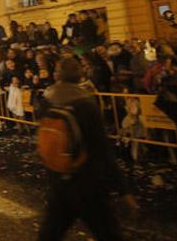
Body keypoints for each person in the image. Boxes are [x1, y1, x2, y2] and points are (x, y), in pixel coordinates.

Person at [38, 57, 137, 241]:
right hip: (87, 180)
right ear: (80, 75)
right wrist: (123, 189)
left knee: (50, 233)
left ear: (56, 75)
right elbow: (101, 148)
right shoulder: (84, 102)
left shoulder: (47, 99)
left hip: (59, 179)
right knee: (108, 233)